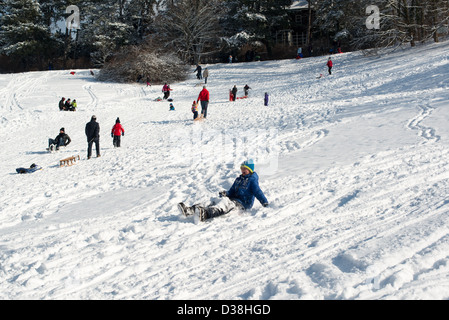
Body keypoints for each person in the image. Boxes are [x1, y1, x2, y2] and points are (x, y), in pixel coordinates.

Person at [178, 159, 269, 222]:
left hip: (243, 203)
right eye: (242, 168)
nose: (243, 170)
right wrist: (226, 193)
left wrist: (264, 202)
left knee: (225, 205)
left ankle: (205, 214)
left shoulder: (252, 181)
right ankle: (190, 210)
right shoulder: (238, 179)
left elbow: (258, 192)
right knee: (213, 201)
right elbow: (232, 191)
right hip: (233, 198)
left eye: (245, 169)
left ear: (250, 170)